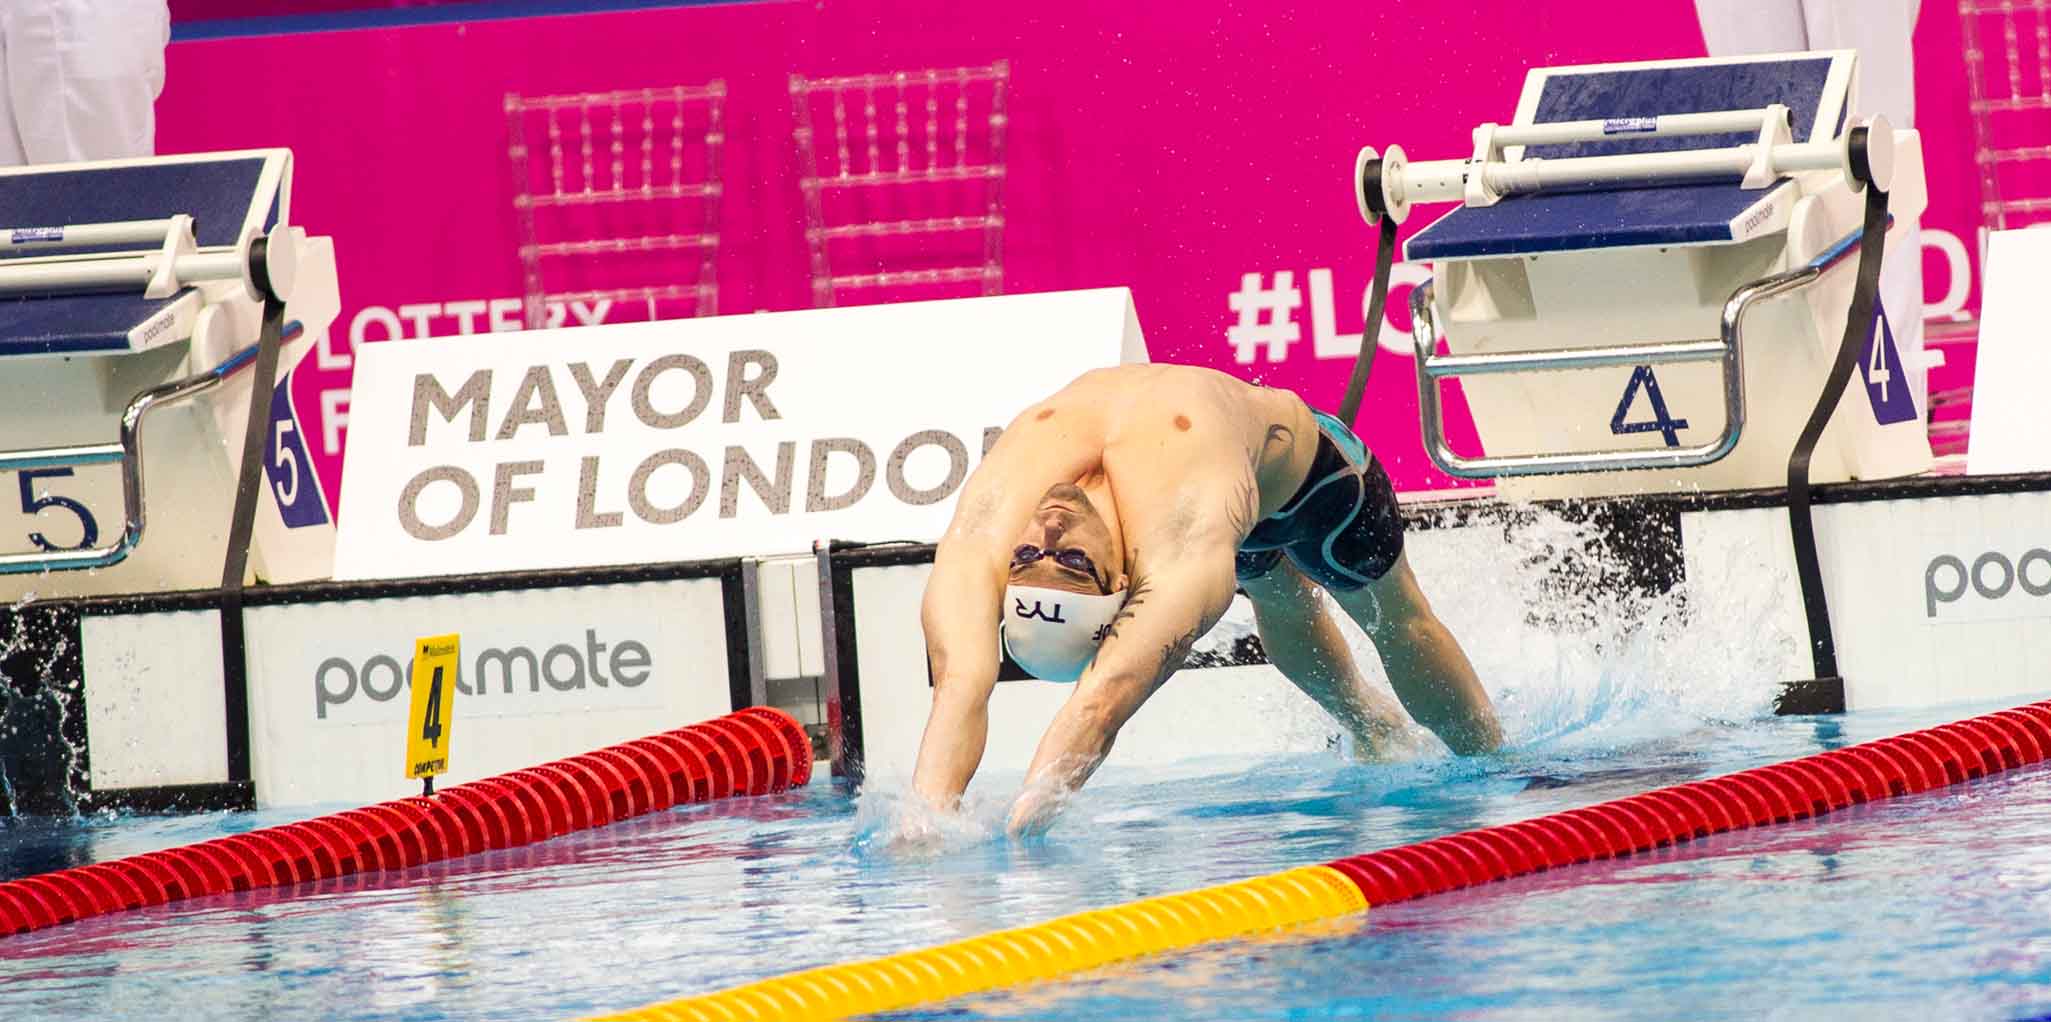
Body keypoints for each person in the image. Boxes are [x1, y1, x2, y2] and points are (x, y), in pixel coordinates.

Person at [910, 364, 1501, 836]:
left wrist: (941, 815)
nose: (1049, 531)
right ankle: (1383, 728)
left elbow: (988, 688)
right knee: (1281, 601)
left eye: (1027, 557)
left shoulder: (1004, 516)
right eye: (1071, 563)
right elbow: (1082, 700)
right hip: (1215, 501)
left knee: (1400, 621)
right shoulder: (1176, 555)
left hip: (1312, 484)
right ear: (1123, 582)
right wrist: (998, 823)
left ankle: (1493, 757)